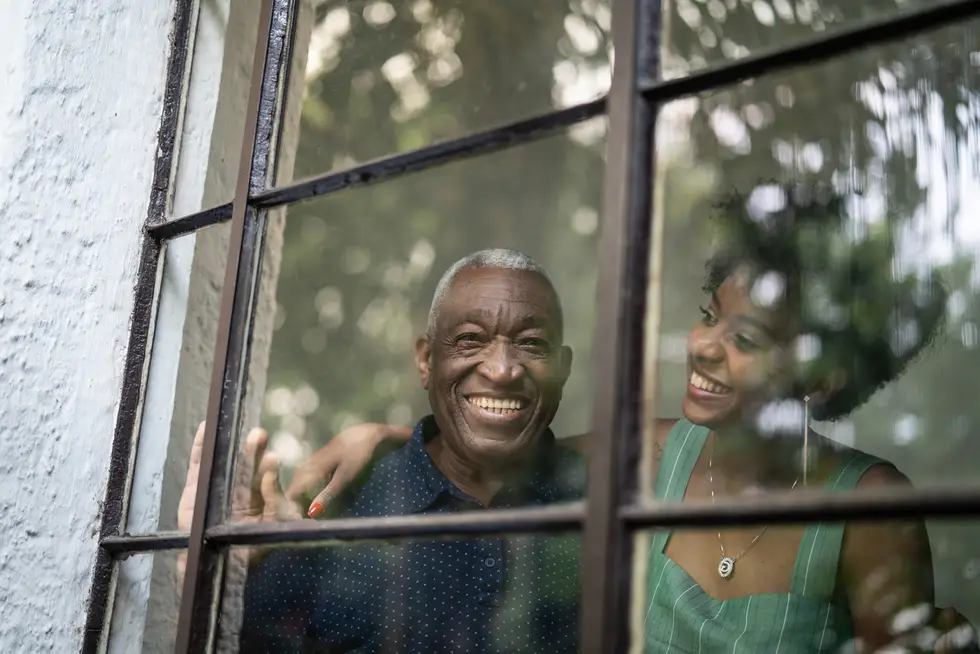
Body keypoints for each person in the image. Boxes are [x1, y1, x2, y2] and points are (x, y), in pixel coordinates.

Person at [288, 185, 979, 652]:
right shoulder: (647, 458)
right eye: (710, 318)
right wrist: (384, 439)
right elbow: (498, 445)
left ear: (821, 377)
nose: (703, 346)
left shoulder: (871, 512)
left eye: (746, 340)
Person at [180, 249, 586, 653]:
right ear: (427, 360)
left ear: (563, 367)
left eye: (531, 344)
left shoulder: (605, 499)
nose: (502, 370)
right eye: (470, 340)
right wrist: (211, 579)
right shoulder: (343, 502)